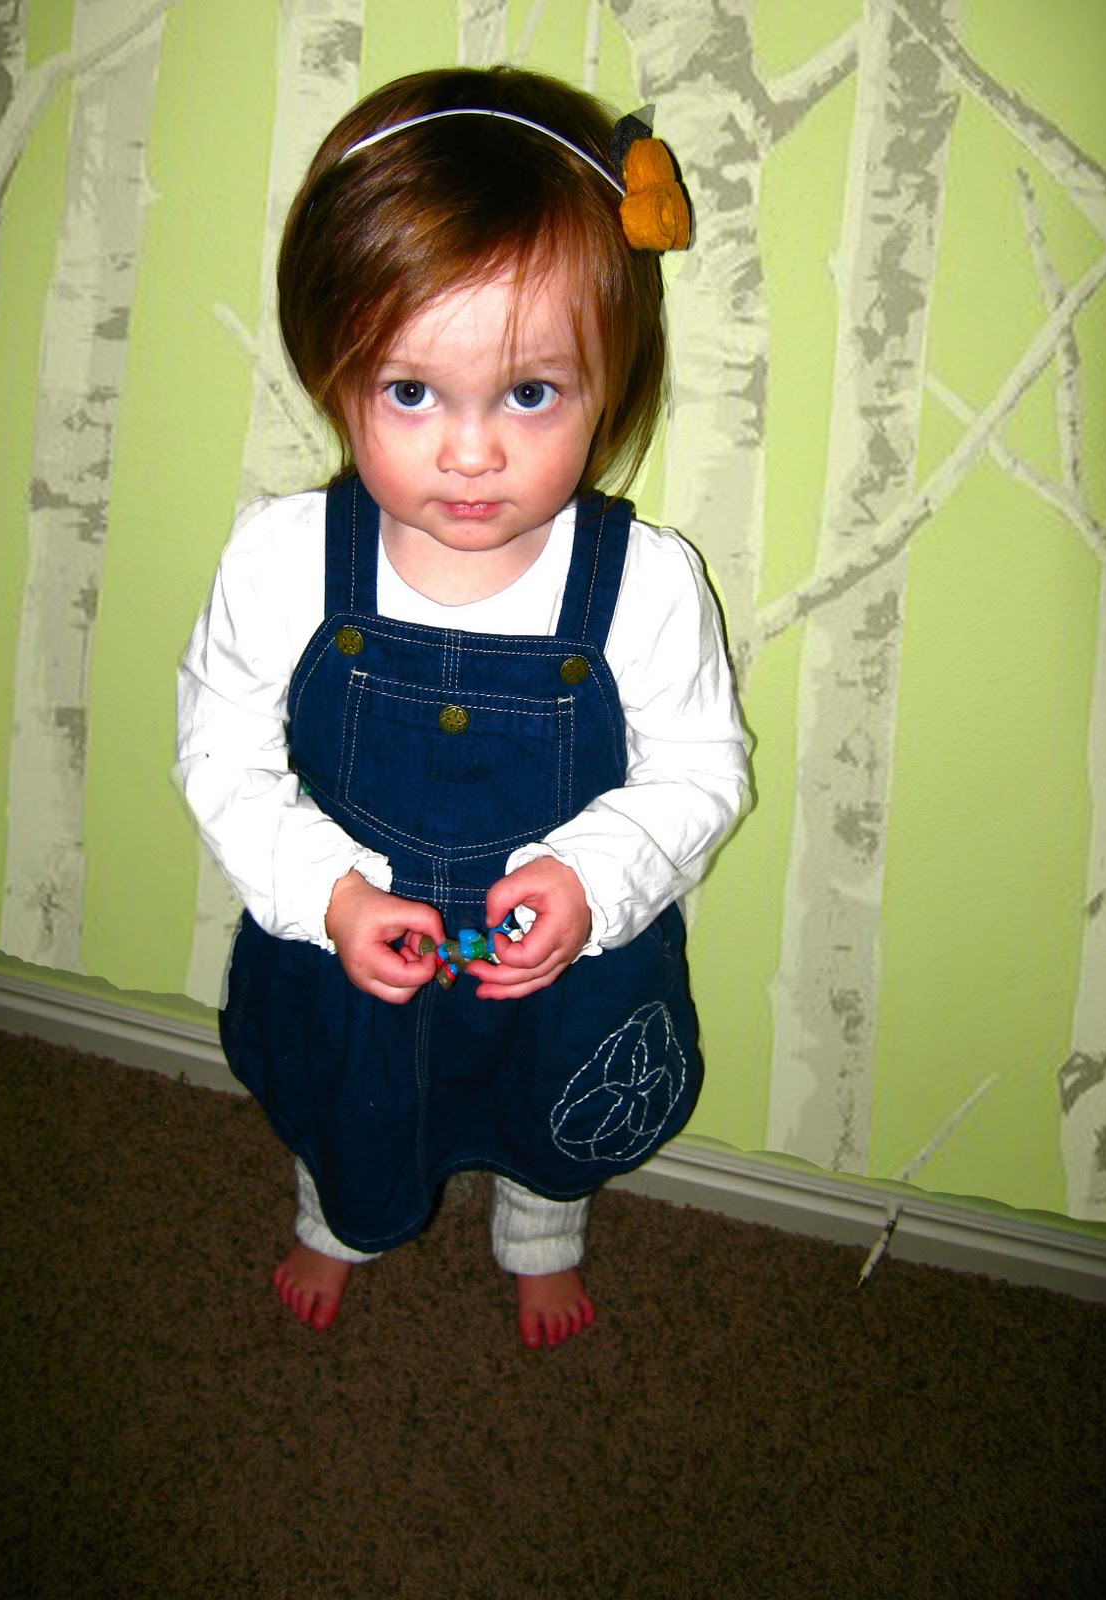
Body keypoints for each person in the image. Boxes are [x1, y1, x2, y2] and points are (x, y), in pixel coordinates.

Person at [176, 65, 750, 1350]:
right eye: (411, 391)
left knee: (554, 1098)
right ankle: (338, 1216)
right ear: (334, 372)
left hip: (560, 954)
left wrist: (593, 879)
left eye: (531, 393)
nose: (473, 450)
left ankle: (544, 1226)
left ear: (612, 380)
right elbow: (222, 754)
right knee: (350, 1098)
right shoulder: (283, 562)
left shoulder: (646, 584)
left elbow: (700, 770)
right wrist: (328, 894)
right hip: (351, 937)